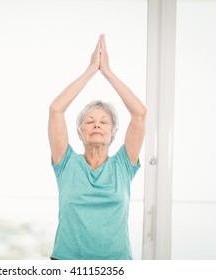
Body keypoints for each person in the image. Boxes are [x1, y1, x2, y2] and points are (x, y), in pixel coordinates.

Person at [48, 34, 146, 260]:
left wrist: (108, 72)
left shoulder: (123, 165)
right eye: (89, 121)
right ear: (79, 132)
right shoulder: (66, 163)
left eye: (104, 122)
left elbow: (139, 113)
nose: (96, 125)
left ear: (113, 134)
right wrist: (92, 69)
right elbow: (56, 110)